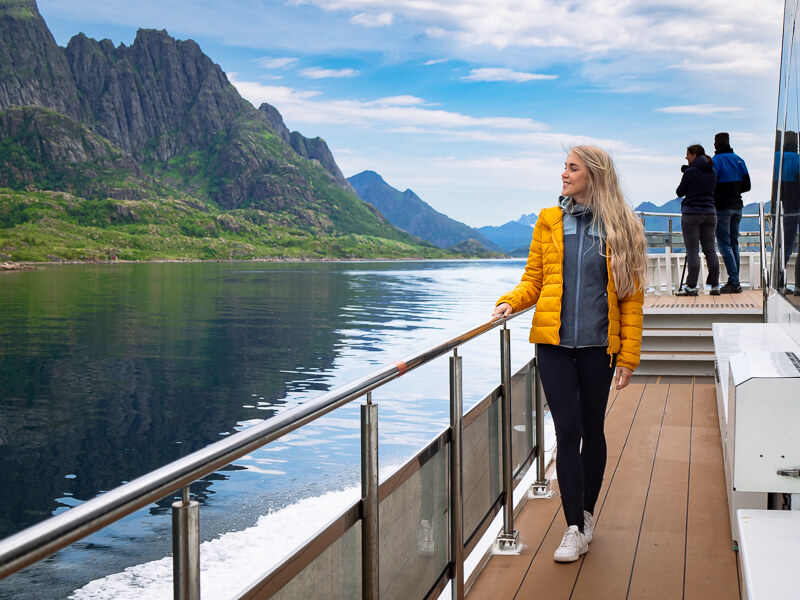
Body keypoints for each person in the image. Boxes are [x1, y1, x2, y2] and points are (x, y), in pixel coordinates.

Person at [491, 146, 646, 563]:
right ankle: (574, 527)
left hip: (598, 348)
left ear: (592, 176)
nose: (563, 174)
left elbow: (631, 298)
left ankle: (588, 513)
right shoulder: (548, 221)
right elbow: (535, 279)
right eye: (564, 167)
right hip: (553, 346)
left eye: (571, 168)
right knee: (567, 431)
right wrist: (511, 302)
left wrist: (628, 356)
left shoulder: (623, 227)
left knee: (592, 431)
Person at [676, 144, 720, 296]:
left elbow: (680, 192)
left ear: (694, 154)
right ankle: (715, 286)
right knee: (710, 250)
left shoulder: (691, 171)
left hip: (692, 214)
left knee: (693, 250)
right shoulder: (713, 171)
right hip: (710, 213)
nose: (686, 157)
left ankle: (691, 287)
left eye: (687, 154)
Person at [713, 132, 751, 293]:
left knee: (724, 245)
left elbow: (712, 184)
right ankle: (735, 280)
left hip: (722, 208)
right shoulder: (739, 160)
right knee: (734, 243)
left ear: (715, 144)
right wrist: (735, 191)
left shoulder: (715, 161)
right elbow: (747, 186)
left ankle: (734, 281)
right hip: (738, 206)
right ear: (728, 142)